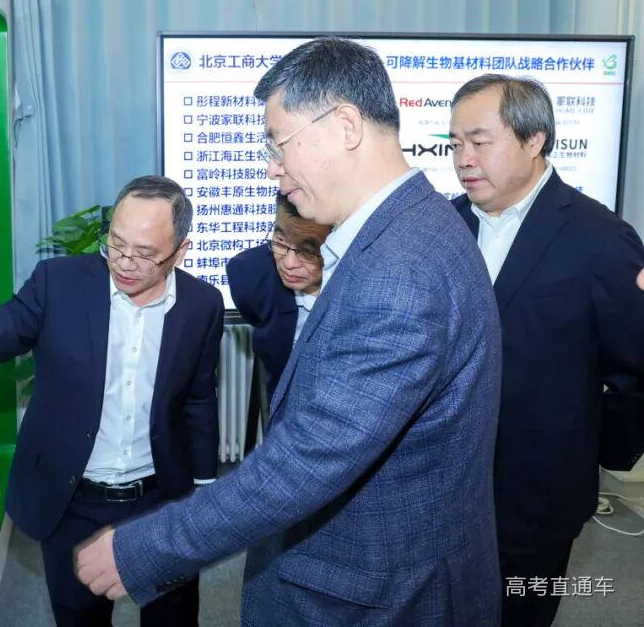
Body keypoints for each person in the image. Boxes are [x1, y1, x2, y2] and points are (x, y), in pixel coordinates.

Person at [75, 37, 503, 625]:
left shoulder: (400, 271)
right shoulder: (412, 229)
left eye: (279, 144)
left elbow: (306, 460)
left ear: (346, 125)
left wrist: (141, 548)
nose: (273, 167)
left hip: (371, 595)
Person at [0, 175, 223, 627]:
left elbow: (198, 398)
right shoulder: (58, 283)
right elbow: (0, 331)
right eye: (115, 244)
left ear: (180, 252)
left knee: (172, 618)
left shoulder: (202, 305)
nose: (124, 263)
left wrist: (204, 491)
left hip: (160, 499)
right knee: (79, 618)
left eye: (144, 254)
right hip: (73, 500)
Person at [447, 74, 644, 627]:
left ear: (533, 139)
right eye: (455, 143)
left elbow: (634, 368)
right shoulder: (445, 225)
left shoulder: (601, 238)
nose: (463, 159)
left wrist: (595, 453)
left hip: (540, 487)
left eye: (479, 142)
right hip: (444, 483)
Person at [227, 193, 330, 394]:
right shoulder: (250, 275)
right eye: (280, 241)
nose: (289, 264)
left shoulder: (367, 284)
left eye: (308, 251)